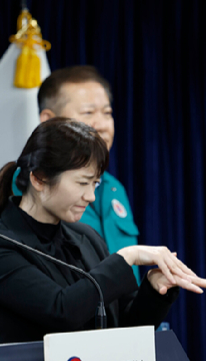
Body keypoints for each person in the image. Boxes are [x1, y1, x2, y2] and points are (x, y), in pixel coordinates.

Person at [0, 118, 206, 344]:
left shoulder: (86, 238)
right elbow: (62, 311)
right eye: (82, 183)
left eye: (95, 184)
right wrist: (127, 257)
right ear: (38, 179)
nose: (90, 197)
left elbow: (125, 329)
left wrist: (154, 291)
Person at [36, 65, 142, 283]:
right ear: (48, 120)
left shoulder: (114, 188)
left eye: (107, 113)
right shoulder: (35, 187)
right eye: (88, 113)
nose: (102, 125)